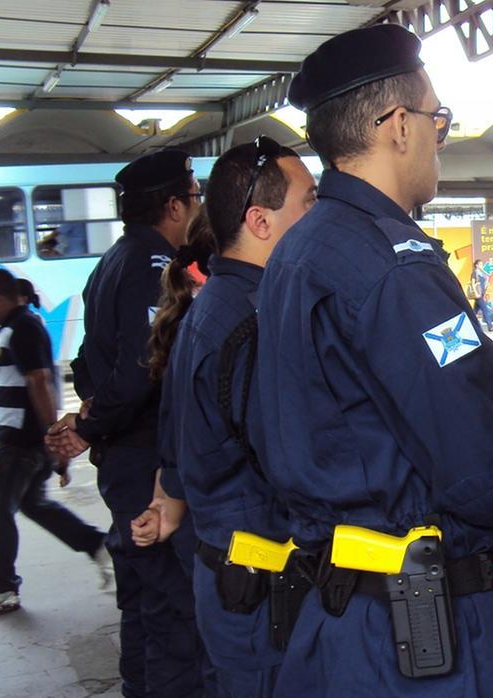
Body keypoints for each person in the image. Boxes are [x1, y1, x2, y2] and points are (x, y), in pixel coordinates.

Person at [253, 24, 493, 696]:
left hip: (334, 615)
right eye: (436, 120)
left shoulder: (298, 253)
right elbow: (476, 443)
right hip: (416, 631)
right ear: (397, 126)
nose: (437, 139)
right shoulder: (390, 263)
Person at [128, 139, 319, 696]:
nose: (319, 215)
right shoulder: (255, 323)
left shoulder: (213, 308)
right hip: (264, 586)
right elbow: (294, 464)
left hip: (231, 579)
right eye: (308, 202)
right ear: (260, 221)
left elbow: (180, 440)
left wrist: (170, 499)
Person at [44, 149, 206, 696]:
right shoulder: (154, 266)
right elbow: (144, 368)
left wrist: (91, 415)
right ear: (173, 206)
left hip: (122, 460)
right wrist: (92, 426)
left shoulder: (112, 259)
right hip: (147, 464)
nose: (197, 207)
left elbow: (88, 362)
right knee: (172, 610)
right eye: (194, 197)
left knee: (140, 599)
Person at [0, 268, 112, 616]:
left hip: (19, 442)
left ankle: (1, 586)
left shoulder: (22, 327)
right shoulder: (15, 327)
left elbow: (39, 382)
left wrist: (54, 436)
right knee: (32, 504)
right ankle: (98, 544)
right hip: (24, 438)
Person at [470, 259, 493, 331]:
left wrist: (487, 281)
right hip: (478, 295)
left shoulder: (482, 273)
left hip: (481, 294)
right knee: (485, 310)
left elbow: (484, 285)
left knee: (474, 312)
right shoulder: (475, 273)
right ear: (476, 265)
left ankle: (470, 322)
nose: (482, 266)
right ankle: (490, 326)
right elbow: (473, 284)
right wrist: (476, 293)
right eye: (480, 264)